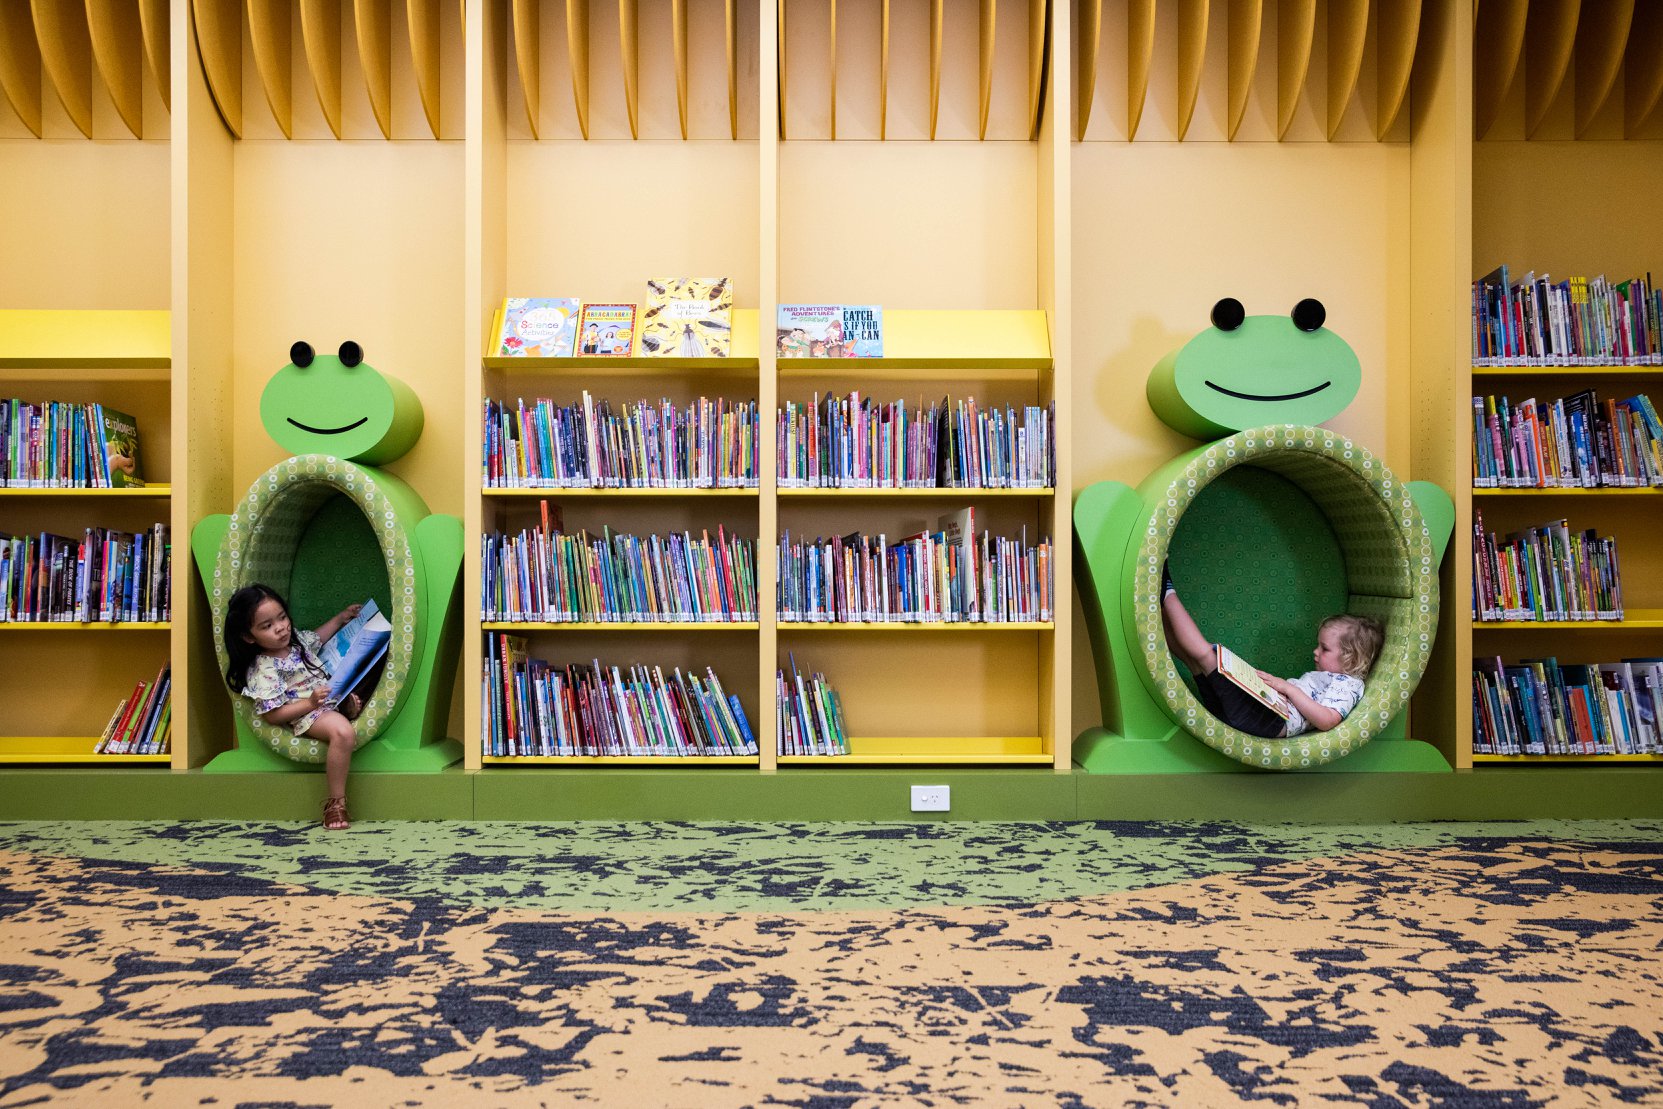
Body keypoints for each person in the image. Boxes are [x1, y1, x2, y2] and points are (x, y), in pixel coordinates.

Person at [1160, 563, 1383, 739]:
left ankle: (1166, 590)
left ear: (1351, 658)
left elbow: (1327, 720)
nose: (1315, 652)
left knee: (1206, 657)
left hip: (1271, 721)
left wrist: (1287, 688)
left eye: (1324, 649)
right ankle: (1159, 604)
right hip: (1266, 716)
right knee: (1196, 664)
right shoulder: (1330, 677)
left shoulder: (1349, 684)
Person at [222, 583, 366, 830]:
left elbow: (318, 637)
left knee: (368, 665)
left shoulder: (297, 644)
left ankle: (346, 706)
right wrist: (309, 703)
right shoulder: (264, 668)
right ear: (248, 636)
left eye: (282, 618)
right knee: (343, 732)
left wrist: (341, 618)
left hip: (328, 698)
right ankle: (336, 803)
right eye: (267, 626)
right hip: (309, 713)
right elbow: (274, 716)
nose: (280, 628)